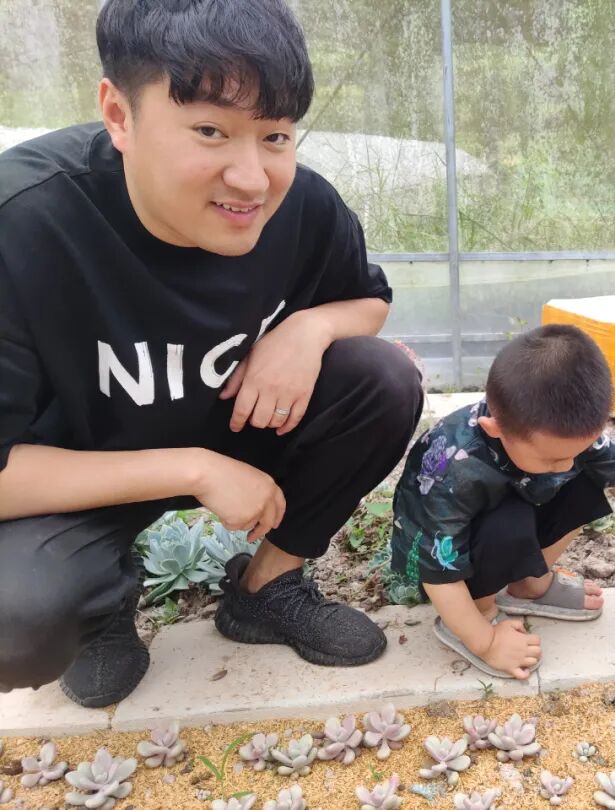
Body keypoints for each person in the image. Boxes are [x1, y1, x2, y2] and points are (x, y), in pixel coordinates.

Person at [0, 0, 423, 708]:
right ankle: (101, 604)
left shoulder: (300, 204)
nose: (253, 178)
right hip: (82, 471)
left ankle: (267, 589)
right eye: (209, 130)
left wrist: (307, 330)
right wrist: (194, 469)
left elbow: (368, 301)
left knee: (383, 378)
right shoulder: (24, 223)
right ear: (118, 114)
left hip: (230, 422)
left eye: (277, 135)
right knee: (15, 618)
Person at [384, 324, 615, 679]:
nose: (567, 464)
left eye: (578, 450)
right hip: (448, 561)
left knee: (585, 478)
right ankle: (476, 614)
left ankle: (528, 584)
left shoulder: (560, 437)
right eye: (554, 459)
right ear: (496, 429)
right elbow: (437, 572)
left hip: (514, 514)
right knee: (507, 523)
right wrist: (486, 642)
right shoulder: (452, 466)